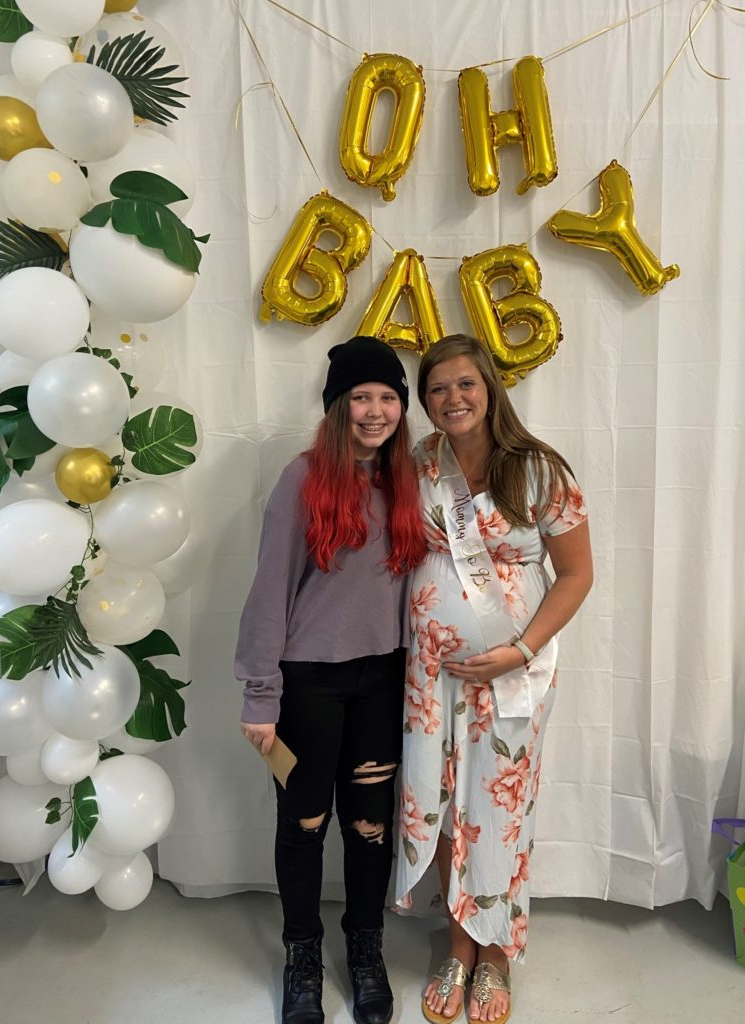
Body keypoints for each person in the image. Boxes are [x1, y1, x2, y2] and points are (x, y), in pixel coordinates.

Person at [395, 334, 593, 1024]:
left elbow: (576, 575)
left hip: (515, 671)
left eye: (464, 385)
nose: (452, 399)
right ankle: (457, 943)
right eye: (438, 389)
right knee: (443, 802)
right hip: (431, 676)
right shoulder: (420, 464)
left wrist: (521, 648)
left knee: (499, 803)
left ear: (490, 389)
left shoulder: (539, 469)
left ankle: (495, 953)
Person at [236, 336, 426, 1024]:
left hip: (384, 683)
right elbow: (269, 591)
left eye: (387, 397)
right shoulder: (303, 477)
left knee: (370, 825)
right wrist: (261, 694)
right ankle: (303, 955)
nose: (374, 411)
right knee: (306, 821)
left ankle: (366, 948)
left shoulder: (411, 481)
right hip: (308, 685)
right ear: (337, 407)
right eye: (360, 398)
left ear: (402, 407)